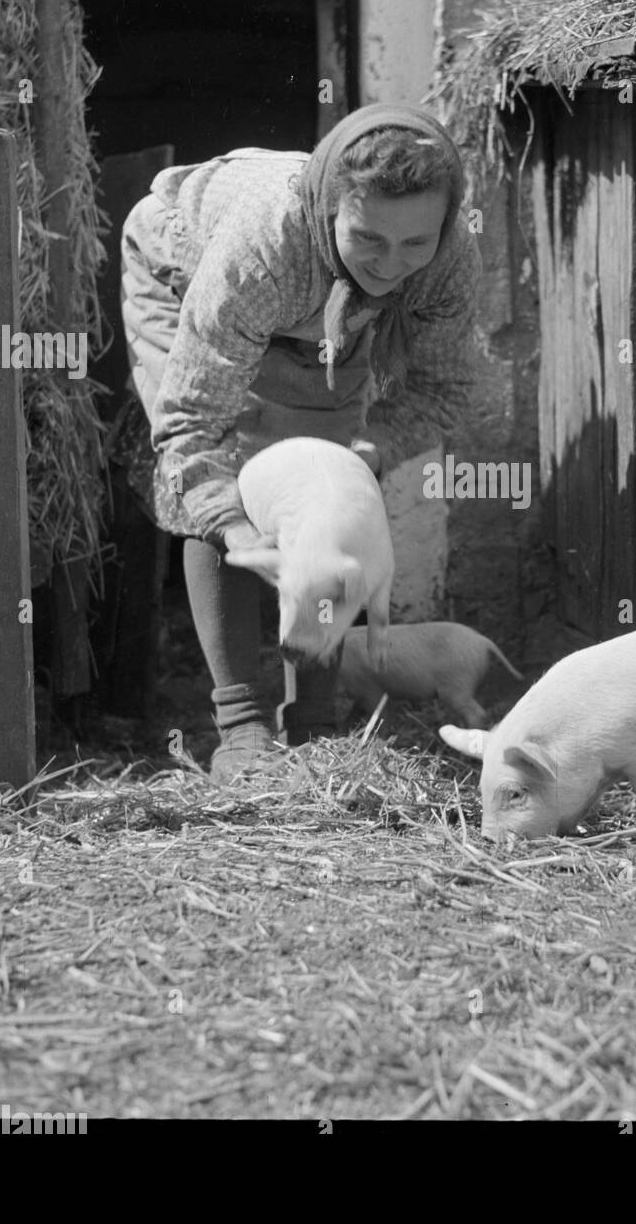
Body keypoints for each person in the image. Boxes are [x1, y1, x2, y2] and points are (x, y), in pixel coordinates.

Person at [115, 104, 481, 775]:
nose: (392, 264)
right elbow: (193, 422)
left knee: (329, 480)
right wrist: (234, 526)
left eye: (414, 244)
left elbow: (446, 391)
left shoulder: (445, 260)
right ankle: (241, 726)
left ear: (443, 229)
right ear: (331, 207)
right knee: (221, 479)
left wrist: (368, 454)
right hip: (183, 271)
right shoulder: (265, 246)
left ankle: (315, 724)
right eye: (369, 237)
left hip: (323, 310)